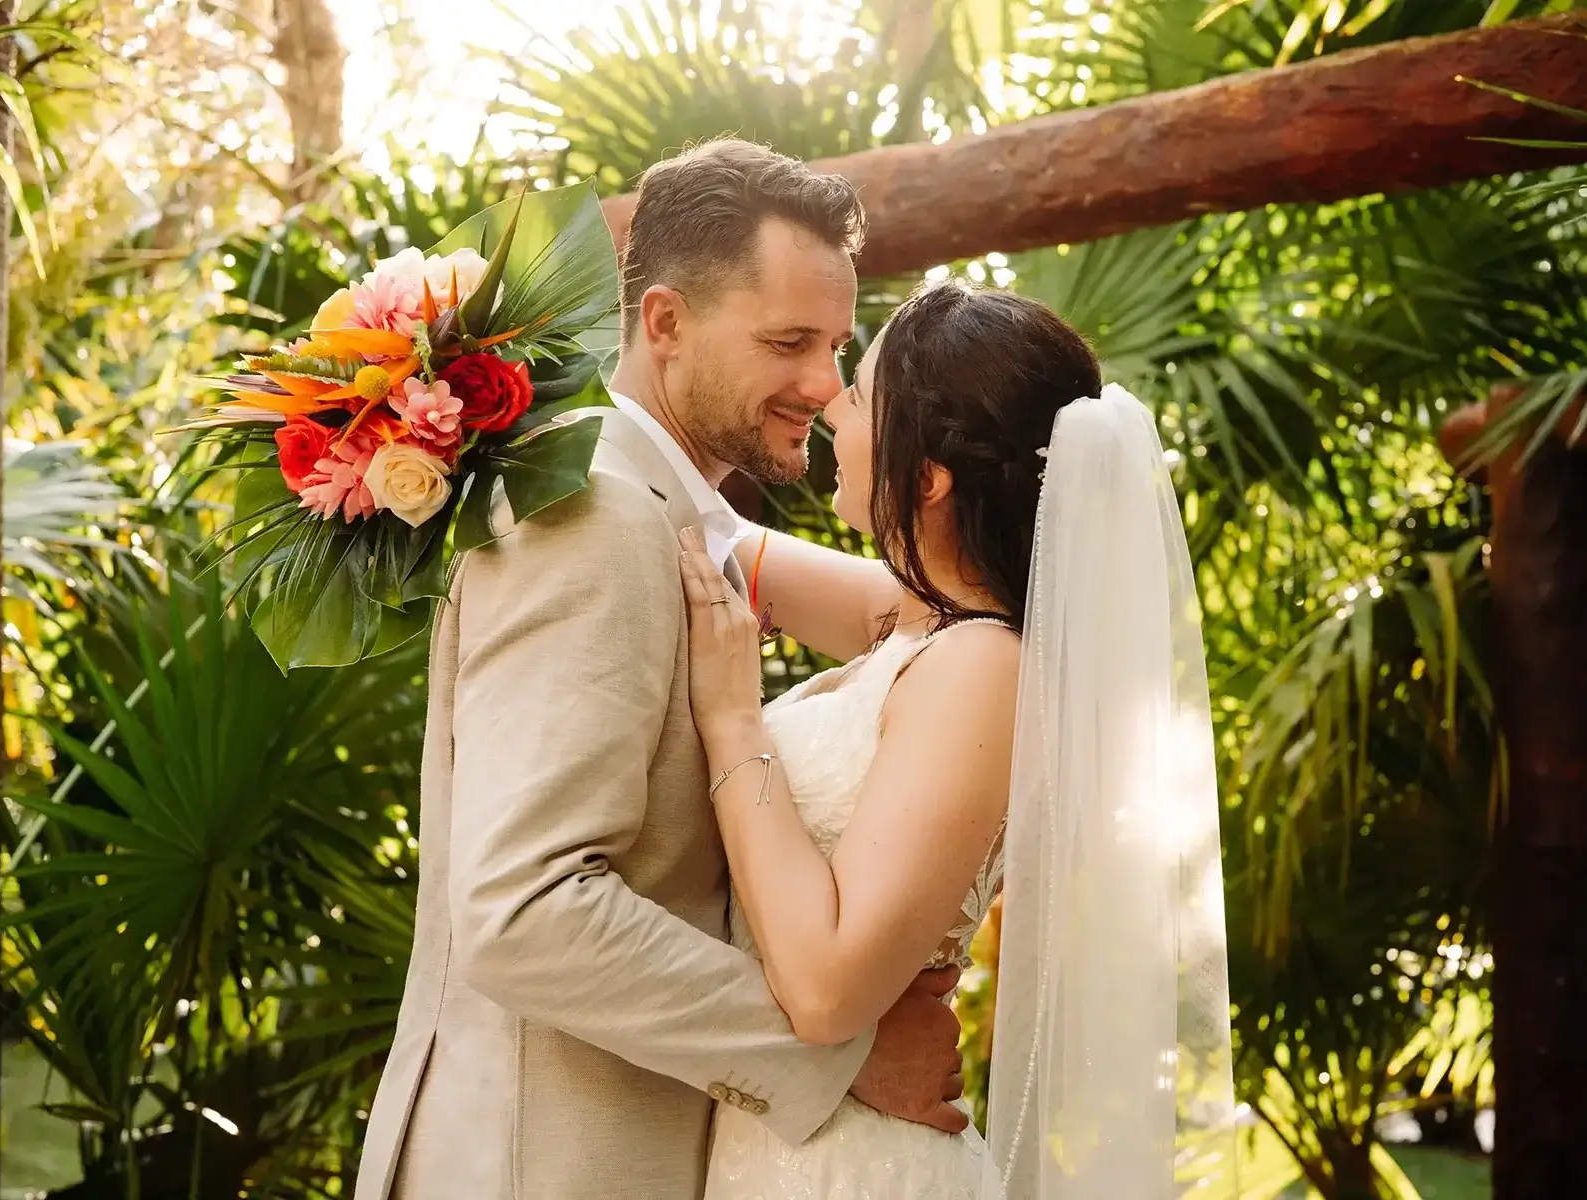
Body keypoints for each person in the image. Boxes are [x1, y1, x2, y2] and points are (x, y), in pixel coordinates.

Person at [352, 139, 968, 1200]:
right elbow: (522, 907)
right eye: (788, 343)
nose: (826, 388)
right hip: (540, 1166)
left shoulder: (673, 513)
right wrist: (844, 1053)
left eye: (837, 346)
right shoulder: (591, 520)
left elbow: (935, 617)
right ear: (666, 322)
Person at [683, 281, 1240, 1197]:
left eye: (858, 393)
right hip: (791, 1138)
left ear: (930, 478)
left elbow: (825, 990)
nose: (829, 403)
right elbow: (709, 536)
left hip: (849, 1165)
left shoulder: (982, 668)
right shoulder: (913, 624)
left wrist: (734, 719)